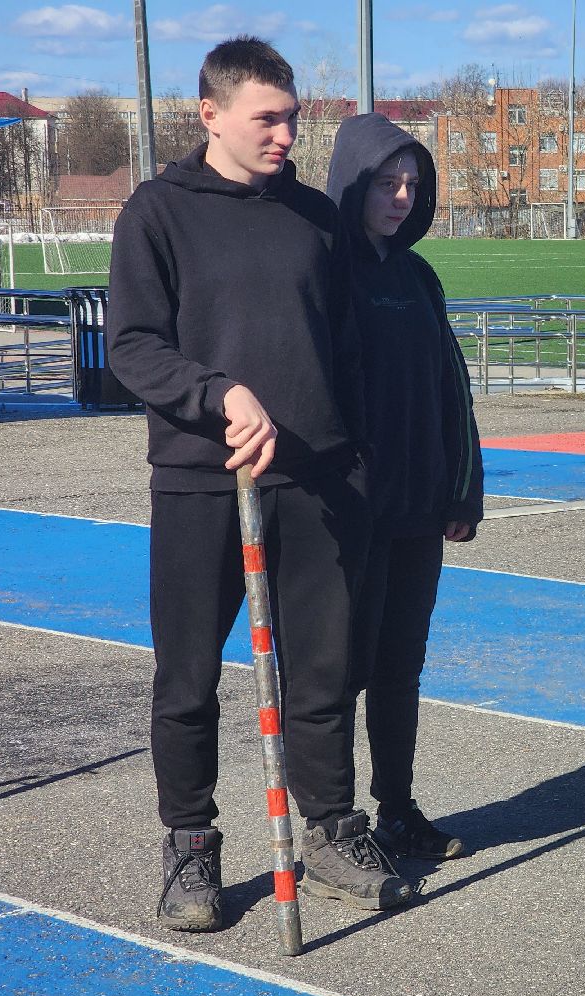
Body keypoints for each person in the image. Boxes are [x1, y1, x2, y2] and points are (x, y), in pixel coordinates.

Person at [108, 36, 413, 932]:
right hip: (207, 481)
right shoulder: (158, 212)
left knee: (322, 674)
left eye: (292, 118)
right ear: (211, 114)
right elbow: (131, 345)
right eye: (267, 118)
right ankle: (192, 846)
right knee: (189, 676)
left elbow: (347, 349)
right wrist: (218, 395)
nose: (285, 134)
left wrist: (359, 458)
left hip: (318, 483)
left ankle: (327, 830)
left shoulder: (316, 218)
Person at [325, 114, 483, 860]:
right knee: (341, 667)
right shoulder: (328, 270)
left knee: (399, 668)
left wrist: (464, 491)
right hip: (352, 513)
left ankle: (397, 808)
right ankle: (335, 824)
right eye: (387, 182)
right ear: (353, 182)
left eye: (412, 184)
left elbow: (453, 389)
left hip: (420, 511)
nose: (400, 195)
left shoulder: (419, 278)